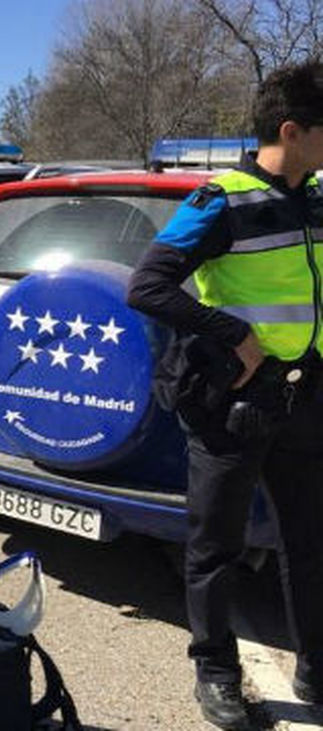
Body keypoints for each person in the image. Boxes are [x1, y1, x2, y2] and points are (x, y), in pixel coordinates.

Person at [127, 60, 323, 730]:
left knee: (310, 543)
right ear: (292, 131)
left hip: (305, 401)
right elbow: (145, 286)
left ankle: (313, 668)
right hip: (233, 405)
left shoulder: (318, 194)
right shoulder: (221, 199)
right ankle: (214, 671)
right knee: (215, 547)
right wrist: (228, 329)